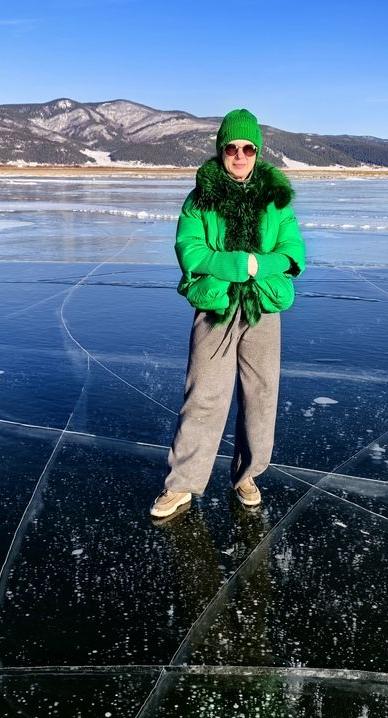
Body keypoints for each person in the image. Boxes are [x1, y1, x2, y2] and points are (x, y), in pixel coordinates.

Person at [151, 109, 306, 519]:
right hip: (216, 306)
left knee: (261, 395)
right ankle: (182, 484)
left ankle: (247, 475)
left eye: (248, 147)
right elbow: (191, 251)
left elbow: (293, 252)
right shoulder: (200, 198)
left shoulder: (276, 198)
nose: (240, 155)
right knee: (204, 395)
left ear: (258, 151)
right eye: (232, 148)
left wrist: (259, 266)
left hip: (263, 306)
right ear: (221, 150)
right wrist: (237, 265)